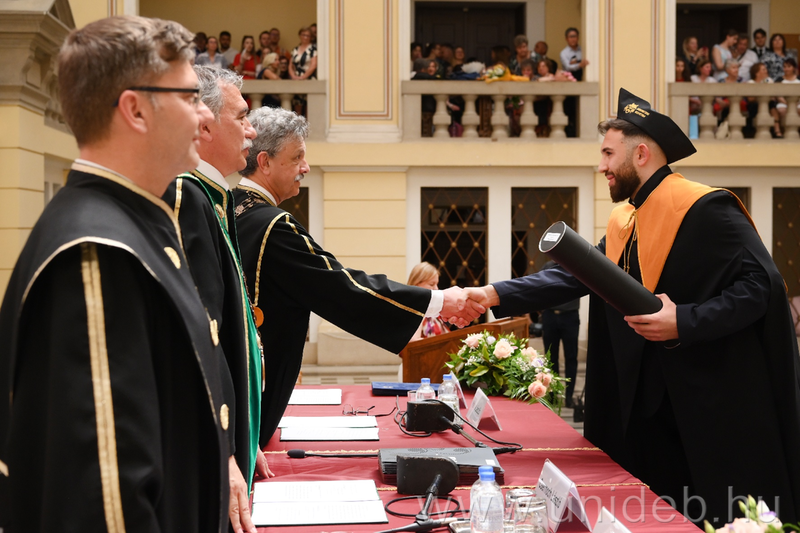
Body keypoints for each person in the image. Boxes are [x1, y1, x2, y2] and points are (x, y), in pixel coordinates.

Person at [465, 87, 800, 527]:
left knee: (707, 514)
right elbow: (580, 275)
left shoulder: (706, 208)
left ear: (641, 154)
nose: (601, 166)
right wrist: (492, 294)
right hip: (644, 411)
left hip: (704, 409)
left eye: (608, 154)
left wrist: (684, 320)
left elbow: (763, 287)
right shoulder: (628, 219)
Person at [0, 15, 231, 532]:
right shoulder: (96, 253)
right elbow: (104, 502)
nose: (204, 117)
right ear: (135, 109)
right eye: (191, 97)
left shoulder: (131, 222)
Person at [232, 107, 484, 445]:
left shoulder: (230, 207)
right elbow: (342, 288)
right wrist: (438, 301)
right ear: (264, 162)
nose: (305, 168)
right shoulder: (274, 226)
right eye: (297, 158)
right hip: (251, 403)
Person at [161, 65, 266, 533]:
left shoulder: (210, 195)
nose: (252, 131)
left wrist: (243, 428)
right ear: (204, 125)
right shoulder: (188, 194)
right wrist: (222, 449)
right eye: (241, 117)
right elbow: (199, 335)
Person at [539, 261, 580, 407]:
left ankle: (569, 396)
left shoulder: (575, 265)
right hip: (550, 315)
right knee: (551, 358)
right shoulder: (548, 267)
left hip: (570, 316)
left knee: (571, 357)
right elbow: (539, 289)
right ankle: (552, 394)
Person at [407, 262, 450, 341]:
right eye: (431, 284)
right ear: (416, 284)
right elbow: (413, 341)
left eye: (437, 284)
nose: (436, 289)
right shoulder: (413, 308)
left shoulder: (431, 309)